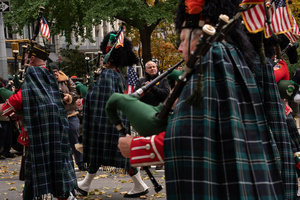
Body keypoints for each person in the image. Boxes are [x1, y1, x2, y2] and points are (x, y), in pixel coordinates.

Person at [118, 0, 298, 199]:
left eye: (183, 40)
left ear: (201, 36)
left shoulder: (212, 57)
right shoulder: (231, 54)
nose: (179, 48)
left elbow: (194, 136)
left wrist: (138, 148)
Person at [0, 43, 77, 200]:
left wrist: (9, 109)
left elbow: (15, 101)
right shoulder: (50, 76)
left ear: (32, 58)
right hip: (57, 131)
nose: (26, 59)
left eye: (28, 56)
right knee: (57, 168)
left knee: (34, 172)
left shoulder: (32, 76)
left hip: (37, 135)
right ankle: (66, 195)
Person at [77, 31, 149, 198]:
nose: (102, 59)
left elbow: (101, 99)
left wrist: (85, 92)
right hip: (113, 121)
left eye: (105, 56)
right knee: (102, 154)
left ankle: (140, 185)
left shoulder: (108, 74)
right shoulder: (115, 74)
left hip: (107, 122)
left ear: (110, 59)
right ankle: (86, 185)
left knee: (115, 154)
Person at [51, 64, 86, 171]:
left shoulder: (66, 79)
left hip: (70, 114)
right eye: (53, 72)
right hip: (55, 116)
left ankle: (81, 163)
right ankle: (63, 166)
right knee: (59, 142)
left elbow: (75, 92)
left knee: (75, 140)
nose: (55, 73)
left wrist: (68, 97)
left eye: (56, 71)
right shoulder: (46, 83)